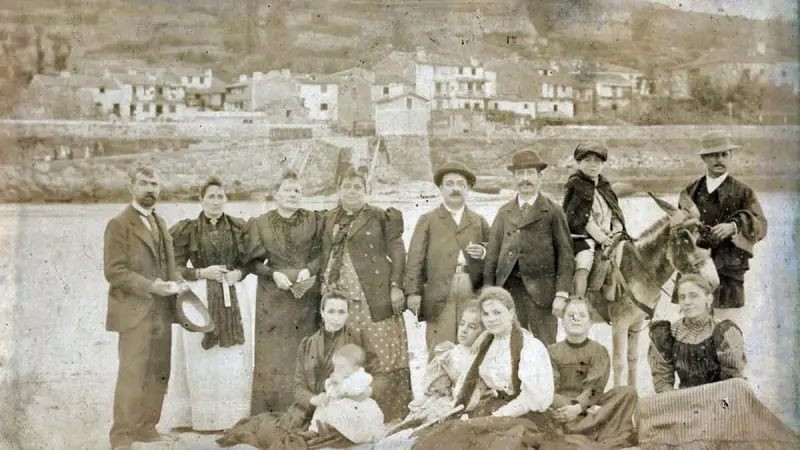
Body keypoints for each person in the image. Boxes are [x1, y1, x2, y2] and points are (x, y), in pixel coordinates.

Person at [638, 274, 797, 448]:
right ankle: (692, 430)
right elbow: (662, 381)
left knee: (739, 387)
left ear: (709, 298)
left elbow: (733, 379)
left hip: (717, 403)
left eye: (693, 295)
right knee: (644, 405)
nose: (687, 302)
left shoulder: (723, 331)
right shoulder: (667, 334)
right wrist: (675, 401)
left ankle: (700, 433)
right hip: (683, 401)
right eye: (682, 297)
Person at [412, 287, 565, 450]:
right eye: (486, 314)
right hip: (493, 407)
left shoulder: (529, 346)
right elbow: (476, 387)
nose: (491, 319)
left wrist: (497, 417)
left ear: (511, 313)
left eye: (497, 313)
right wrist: (455, 407)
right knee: (449, 434)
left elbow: (533, 399)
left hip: (523, 413)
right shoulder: (486, 345)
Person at [319, 167, 413, 422]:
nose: (351, 191)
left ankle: (391, 412)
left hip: (374, 295)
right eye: (347, 186)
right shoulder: (328, 218)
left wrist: (396, 286)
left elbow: (397, 250)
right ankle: (350, 413)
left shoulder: (381, 216)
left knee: (382, 352)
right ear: (338, 189)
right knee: (348, 352)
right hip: (341, 297)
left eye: (357, 187)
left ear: (366, 190)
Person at [216, 290, 365, 449]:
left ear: (348, 314)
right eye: (331, 311)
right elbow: (298, 387)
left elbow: (363, 380)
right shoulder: (307, 344)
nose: (336, 318)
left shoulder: (356, 342)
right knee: (272, 435)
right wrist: (314, 399)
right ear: (322, 313)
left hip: (339, 410)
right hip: (307, 410)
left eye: (341, 312)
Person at [163, 177, 253, 432]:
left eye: (220, 196)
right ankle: (200, 418)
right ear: (201, 199)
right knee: (200, 356)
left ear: (226, 199)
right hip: (201, 294)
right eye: (211, 196)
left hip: (233, 293)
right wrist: (201, 273)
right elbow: (173, 266)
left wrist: (239, 273)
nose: (215, 201)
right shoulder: (187, 229)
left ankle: (232, 418)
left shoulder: (238, 227)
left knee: (232, 356)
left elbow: (250, 261)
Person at [104, 167, 185, 449]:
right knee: (132, 372)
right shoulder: (119, 223)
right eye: (144, 183)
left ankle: (147, 427)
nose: (150, 188)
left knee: (160, 370)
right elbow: (114, 272)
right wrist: (152, 286)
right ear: (131, 186)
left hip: (162, 310)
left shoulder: (161, 222)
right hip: (133, 313)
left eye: (155, 183)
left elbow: (169, 265)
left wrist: (178, 283)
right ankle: (122, 436)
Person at [244, 170, 324, 415]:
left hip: (306, 295)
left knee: (305, 349)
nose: (293, 194)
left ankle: (305, 409)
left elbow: (322, 252)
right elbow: (251, 262)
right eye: (287, 189)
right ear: (276, 194)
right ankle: (271, 410)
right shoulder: (260, 222)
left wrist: (309, 270)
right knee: (273, 352)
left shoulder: (314, 220)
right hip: (273, 296)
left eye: (297, 190)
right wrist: (272, 273)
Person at [483, 149, 575, 345]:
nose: (525, 179)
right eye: (520, 174)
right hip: (509, 293)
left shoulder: (553, 211)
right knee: (510, 346)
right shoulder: (504, 212)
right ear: (513, 179)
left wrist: (561, 294)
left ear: (540, 177)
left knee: (545, 347)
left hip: (543, 294)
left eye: (530, 173)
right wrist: (490, 293)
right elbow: (492, 255)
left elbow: (566, 256)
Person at [678, 130, 767, 329]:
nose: (720, 159)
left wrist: (734, 226)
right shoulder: (689, 192)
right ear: (703, 158)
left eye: (724, 154)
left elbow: (761, 226)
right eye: (713, 154)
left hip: (729, 273)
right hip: (695, 275)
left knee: (728, 334)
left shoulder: (744, 192)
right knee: (692, 335)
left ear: (731, 157)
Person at [405, 161, 490, 353]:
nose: (455, 189)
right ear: (441, 188)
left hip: (471, 289)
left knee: (471, 344)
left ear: (468, 189)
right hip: (439, 290)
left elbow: (494, 250)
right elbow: (415, 258)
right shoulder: (428, 220)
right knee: (440, 347)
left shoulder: (478, 221)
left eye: (461, 184)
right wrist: (413, 292)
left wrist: (483, 250)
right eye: (450, 184)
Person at [547, 298, 638, 448]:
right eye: (571, 315)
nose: (576, 319)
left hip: (589, 404)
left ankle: (584, 427)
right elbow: (551, 387)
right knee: (548, 400)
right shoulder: (551, 351)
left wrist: (578, 407)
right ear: (563, 321)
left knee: (628, 392)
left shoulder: (599, 350)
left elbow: (595, 387)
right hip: (564, 406)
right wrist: (570, 407)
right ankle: (599, 428)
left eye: (582, 315)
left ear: (590, 323)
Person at [562, 143, 626, 300]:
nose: (593, 165)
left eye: (597, 161)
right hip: (583, 237)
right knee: (584, 264)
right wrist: (601, 237)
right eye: (588, 160)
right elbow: (584, 218)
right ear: (579, 163)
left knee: (624, 257)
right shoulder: (575, 184)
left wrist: (616, 231)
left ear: (602, 164)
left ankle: (613, 299)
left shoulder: (604, 185)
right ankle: (578, 301)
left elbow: (614, 212)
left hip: (609, 236)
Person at [406, 305, 485, 423]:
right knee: (424, 413)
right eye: (462, 324)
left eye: (472, 327)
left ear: (483, 333)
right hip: (445, 398)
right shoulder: (450, 353)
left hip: (466, 402)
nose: (464, 330)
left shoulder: (481, 358)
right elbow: (436, 385)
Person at [308, 344, 386, 444]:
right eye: (335, 366)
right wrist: (330, 384)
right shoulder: (342, 376)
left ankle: (350, 434)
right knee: (323, 407)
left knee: (350, 419)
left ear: (356, 368)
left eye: (341, 367)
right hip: (340, 405)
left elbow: (355, 390)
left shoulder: (361, 377)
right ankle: (315, 430)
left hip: (356, 407)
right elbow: (330, 389)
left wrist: (341, 383)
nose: (336, 370)